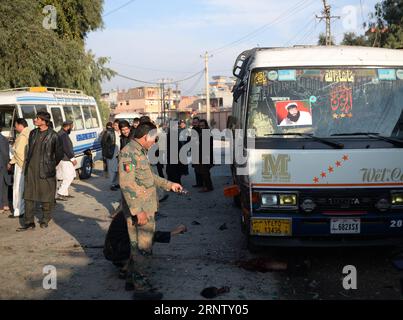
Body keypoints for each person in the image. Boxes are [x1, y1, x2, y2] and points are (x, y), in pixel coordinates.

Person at [119, 121, 182, 300]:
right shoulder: (129, 153)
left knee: (136, 248)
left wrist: (169, 184)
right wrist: (138, 211)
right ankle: (142, 289)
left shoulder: (139, 151)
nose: (154, 143)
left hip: (144, 207)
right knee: (144, 249)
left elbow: (149, 177)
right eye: (153, 140)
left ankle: (132, 279)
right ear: (146, 137)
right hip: (140, 209)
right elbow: (126, 184)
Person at [17, 111, 63, 231]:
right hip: (31, 170)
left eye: (37, 118)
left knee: (46, 197)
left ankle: (45, 219)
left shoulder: (54, 135)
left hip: (45, 171)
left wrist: (50, 165)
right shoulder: (33, 133)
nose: (35, 120)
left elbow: (59, 154)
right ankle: (29, 222)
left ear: (44, 121)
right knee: (28, 196)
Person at [7, 118, 30, 218]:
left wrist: (11, 162)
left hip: (20, 165)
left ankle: (18, 210)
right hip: (26, 164)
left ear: (21, 125)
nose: (15, 128)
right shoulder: (29, 132)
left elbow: (19, 153)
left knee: (17, 188)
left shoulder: (22, 136)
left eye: (15, 126)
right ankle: (22, 209)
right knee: (22, 188)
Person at [55, 121, 77, 201]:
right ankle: (60, 193)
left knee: (66, 176)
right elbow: (66, 148)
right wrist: (72, 159)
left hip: (62, 159)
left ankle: (65, 193)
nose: (72, 128)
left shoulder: (60, 133)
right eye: (71, 127)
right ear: (68, 127)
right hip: (65, 159)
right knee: (69, 176)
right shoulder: (63, 135)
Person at [194, 119, 214, 192]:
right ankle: (207, 186)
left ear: (206, 125)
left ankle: (208, 187)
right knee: (204, 172)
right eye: (200, 126)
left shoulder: (206, 133)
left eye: (203, 125)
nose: (201, 127)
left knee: (205, 172)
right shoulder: (202, 133)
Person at [103, 119, 121, 191]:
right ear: (113, 125)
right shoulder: (109, 132)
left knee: (118, 169)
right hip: (112, 153)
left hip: (119, 153)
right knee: (112, 170)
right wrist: (107, 152)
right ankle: (112, 184)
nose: (117, 127)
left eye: (118, 125)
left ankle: (116, 183)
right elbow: (103, 143)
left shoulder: (121, 132)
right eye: (115, 125)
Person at [0, 128, 11, 214]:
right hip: (3, 164)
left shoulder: (2, 139)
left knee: (2, 184)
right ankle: (5, 204)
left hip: (2, 164)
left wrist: (7, 162)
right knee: (4, 183)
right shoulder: (3, 138)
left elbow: (4, 153)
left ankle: (1, 206)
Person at [191, 117, 203, 188]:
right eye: (194, 122)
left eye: (196, 122)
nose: (195, 123)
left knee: (202, 168)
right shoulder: (193, 129)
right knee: (196, 169)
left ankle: (203, 183)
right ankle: (198, 183)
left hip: (201, 152)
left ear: (199, 122)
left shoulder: (201, 129)